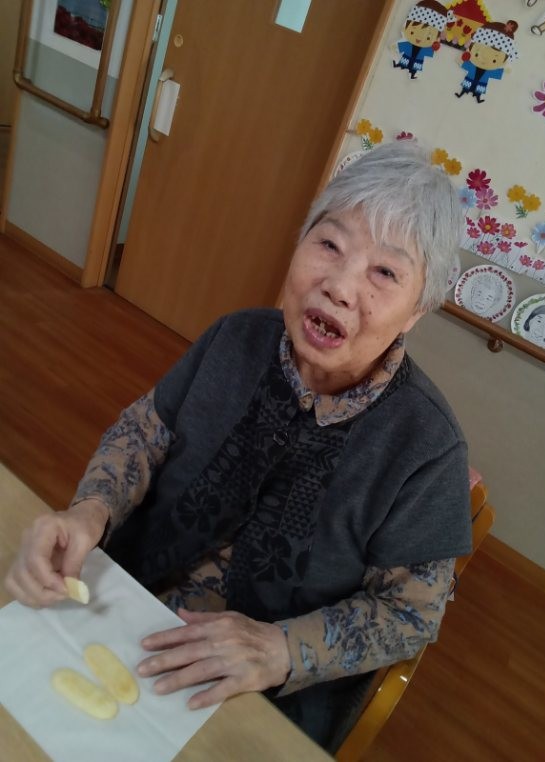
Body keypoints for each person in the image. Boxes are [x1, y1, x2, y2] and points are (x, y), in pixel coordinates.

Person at [4, 142, 472, 753]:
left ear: (416, 311)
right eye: (329, 244)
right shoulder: (237, 336)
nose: (338, 286)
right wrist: (88, 512)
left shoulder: (428, 445)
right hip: (120, 601)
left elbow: (411, 613)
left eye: (384, 273)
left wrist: (280, 649)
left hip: (256, 690)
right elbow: (143, 433)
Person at [455, 21, 518, 104]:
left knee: (478, 92)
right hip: (470, 80)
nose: (483, 59)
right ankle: (461, 94)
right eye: (477, 54)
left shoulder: (490, 70)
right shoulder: (472, 65)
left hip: (481, 84)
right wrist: (462, 60)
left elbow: (499, 72)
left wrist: (505, 68)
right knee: (465, 88)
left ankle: (478, 98)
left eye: (494, 60)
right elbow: (463, 63)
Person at [392, 1, 451, 80]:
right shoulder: (407, 43)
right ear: (405, 27)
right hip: (408, 57)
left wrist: (435, 47)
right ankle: (399, 65)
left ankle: (412, 74)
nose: (419, 38)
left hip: (417, 60)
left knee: (414, 68)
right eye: (412, 32)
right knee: (404, 62)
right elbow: (401, 45)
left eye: (428, 37)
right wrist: (395, 47)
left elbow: (431, 51)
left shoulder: (427, 48)